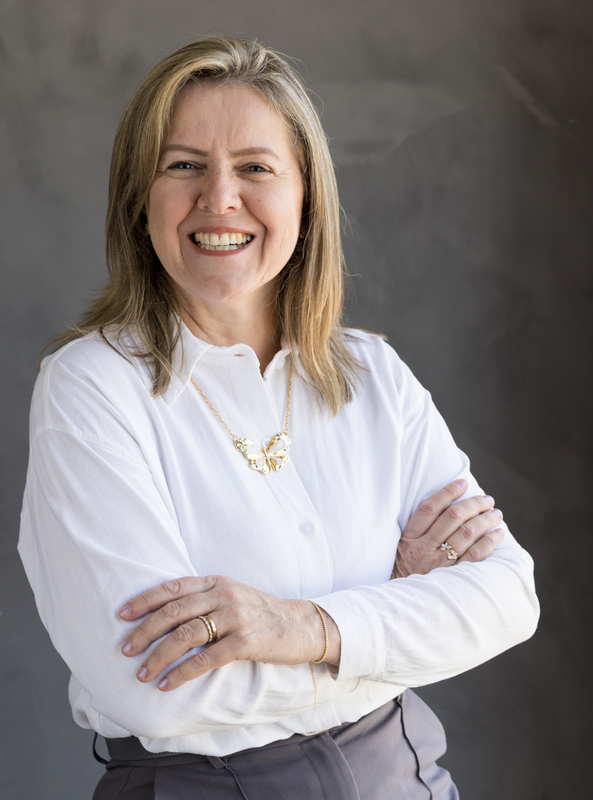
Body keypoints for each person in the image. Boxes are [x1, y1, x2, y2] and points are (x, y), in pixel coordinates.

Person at [17, 35, 539, 799]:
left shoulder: (374, 375)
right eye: (183, 165)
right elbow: (158, 690)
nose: (219, 198)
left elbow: (508, 599)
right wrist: (395, 624)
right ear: (140, 199)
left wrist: (304, 628)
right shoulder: (90, 388)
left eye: (255, 168)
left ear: (305, 198)